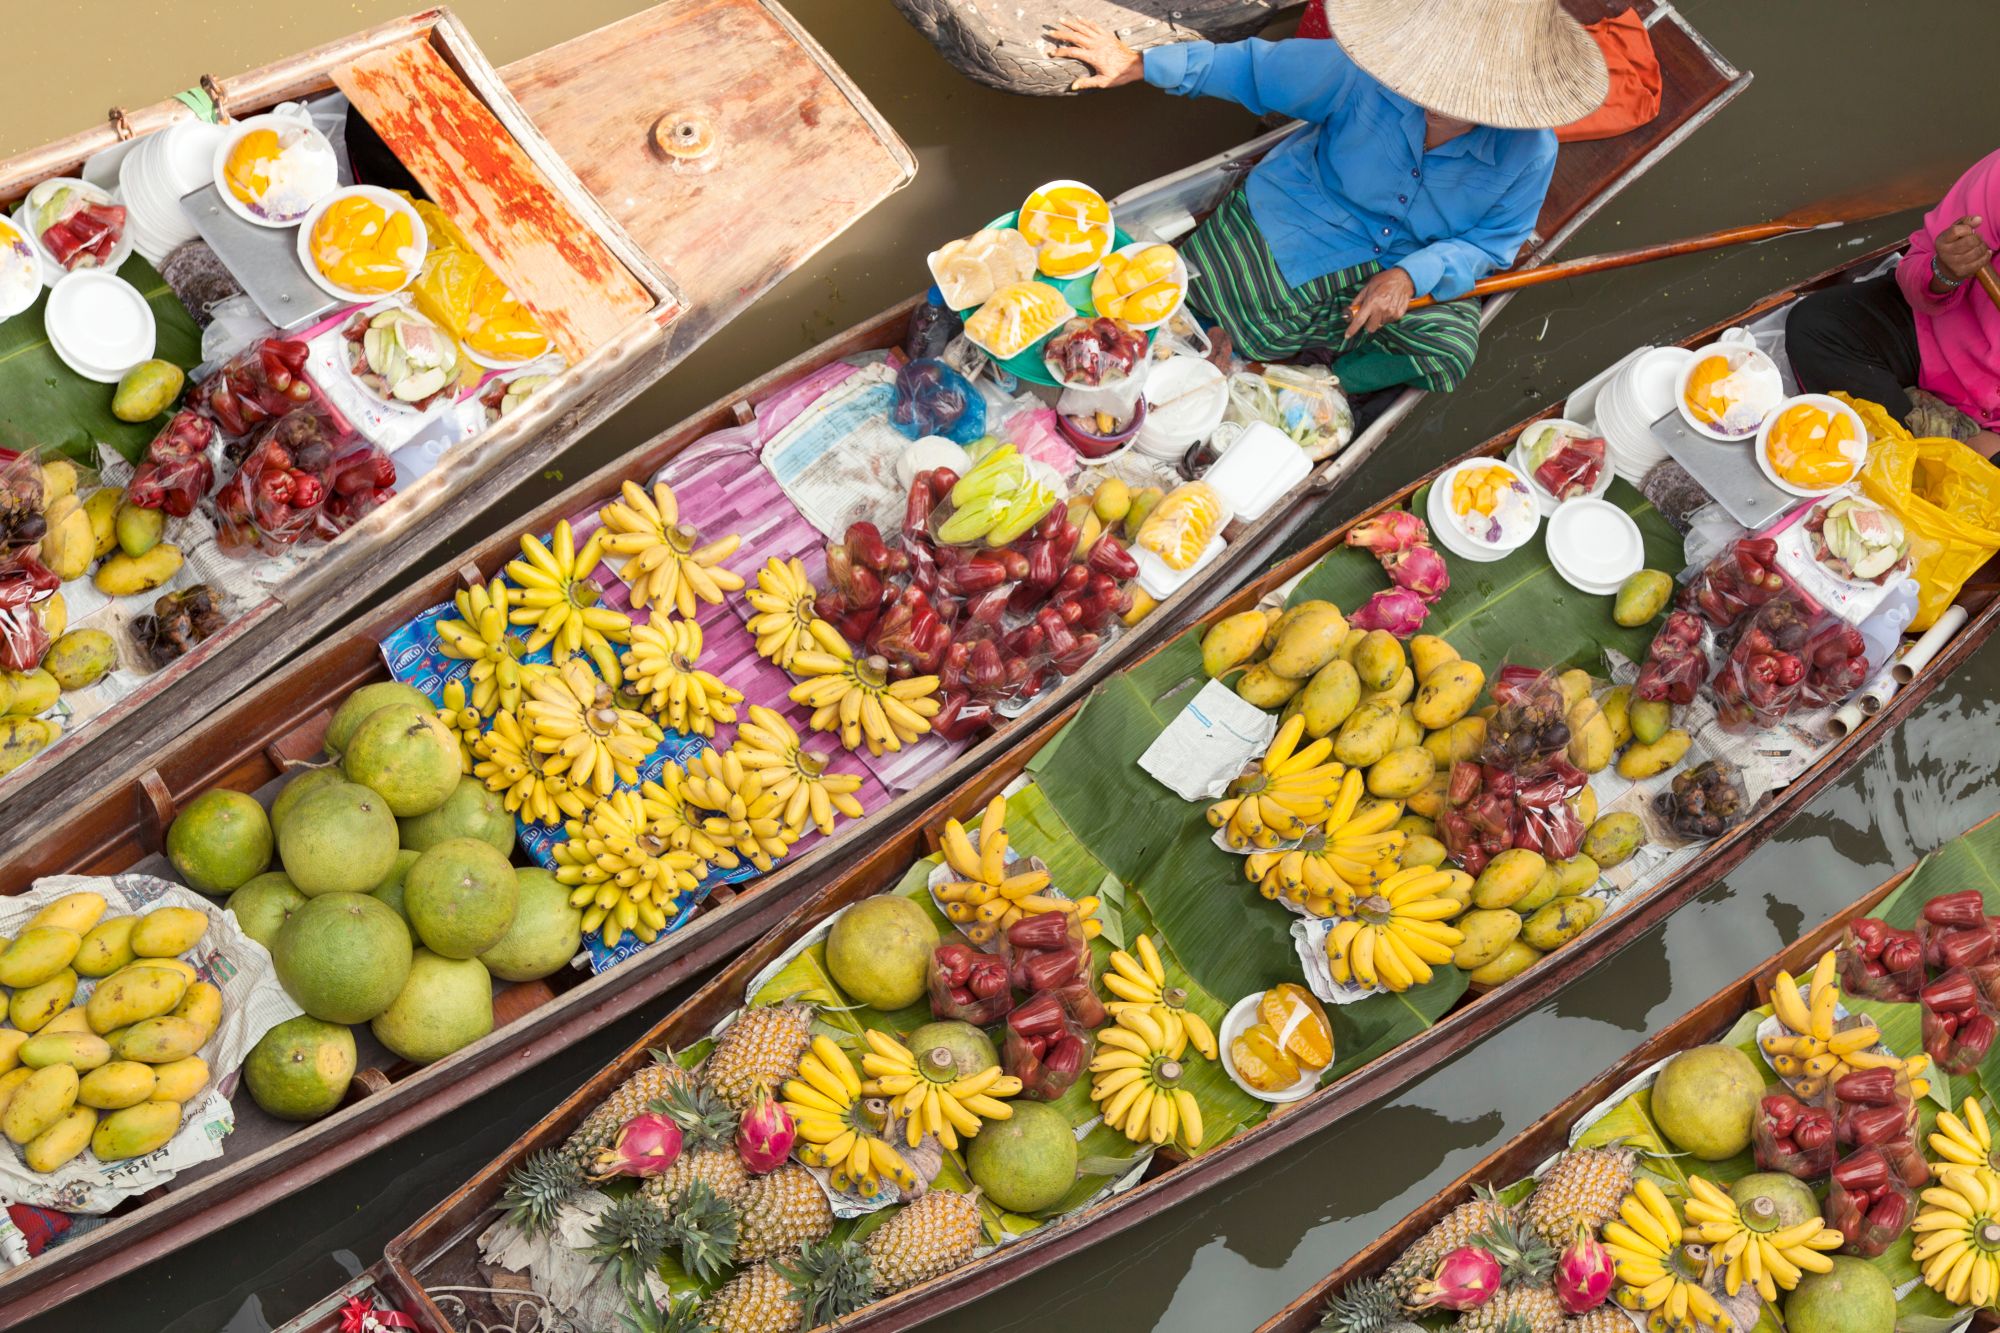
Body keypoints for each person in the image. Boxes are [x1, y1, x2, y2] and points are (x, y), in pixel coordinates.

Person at [1045, 0, 1607, 396]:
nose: (1435, 103)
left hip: (1402, 258)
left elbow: (1493, 243)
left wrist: (1414, 275)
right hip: (1302, 212)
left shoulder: (1530, 151)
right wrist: (1141, 64)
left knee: (1450, 349)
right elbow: (1253, 68)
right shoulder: (1369, 72)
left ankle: (1324, 381)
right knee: (1184, 296)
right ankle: (1247, 348)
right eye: (1431, 84)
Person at [1788, 151, 2000, 456]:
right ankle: (1937, 448)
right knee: (1818, 325)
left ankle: (1931, 446)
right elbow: (1918, 269)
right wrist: (1945, 272)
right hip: (1938, 338)